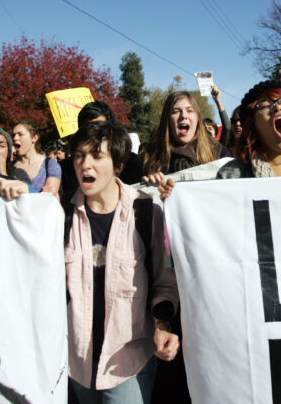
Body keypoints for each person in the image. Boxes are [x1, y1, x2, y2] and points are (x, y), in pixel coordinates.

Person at [65, 121, 179, 404]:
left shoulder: (145, 212)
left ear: (117, 164)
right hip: (76, 362)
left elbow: (164, 279)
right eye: (79, 155)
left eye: (96, 155)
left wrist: (163, 324)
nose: (85, 164)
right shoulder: (61, 216)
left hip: (128, 360)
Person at [139, 91, 229, 183]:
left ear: (198, 118)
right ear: (167, 120)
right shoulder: (147, 157)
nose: (184, 116)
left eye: (190, 110)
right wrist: (145, 190)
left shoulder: (218, 152)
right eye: (175, 111)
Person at [13, 121, 62, 197]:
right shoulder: (10, 167)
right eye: (13, 135)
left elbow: (48, 197)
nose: (15, 138)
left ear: (34, 138)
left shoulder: (50, 165)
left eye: (20, 134)